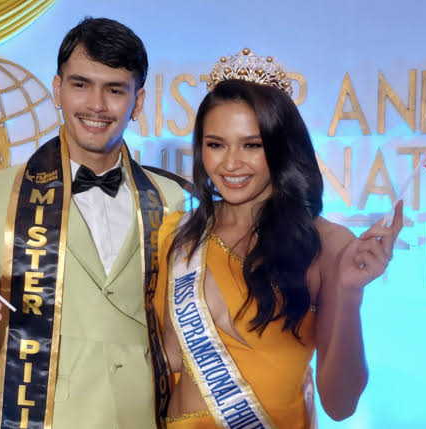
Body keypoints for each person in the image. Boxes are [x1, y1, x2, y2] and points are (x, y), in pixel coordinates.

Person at [0, 17, 186, 429]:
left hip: (147, 417)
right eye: (81, 84)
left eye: (114, 89)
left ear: (138, 102)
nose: (96, 105)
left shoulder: (172, 199)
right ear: (58, 90)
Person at [151, 49, 403, 429]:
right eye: (216, 144)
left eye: (252, 145)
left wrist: (350, 293)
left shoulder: (328, 243)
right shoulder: (177, 234)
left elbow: (340, 404)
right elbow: (161, 363)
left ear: (282, 146)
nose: (230, 163)